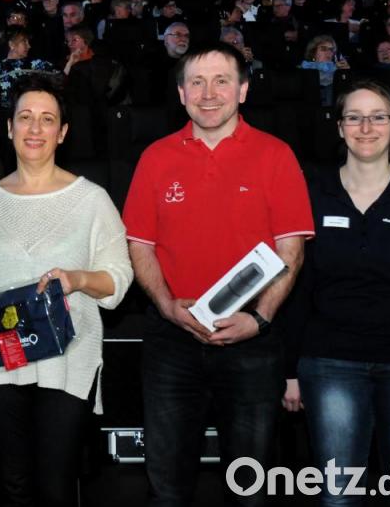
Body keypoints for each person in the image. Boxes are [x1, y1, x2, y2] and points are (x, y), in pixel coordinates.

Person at [122, 42, 314, 507]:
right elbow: (139, 245)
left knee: (249, 489)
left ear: (243, 90)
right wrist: (166, 306)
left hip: (252, 343)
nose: (209, 93)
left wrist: (259, 319)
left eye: (221, 81)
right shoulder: (155, 158)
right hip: (172, 341)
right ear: (181, 94)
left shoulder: (276, 155)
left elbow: (291, 251)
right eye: (197, 82)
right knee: (167, 489)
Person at [0, 73, 133, 507]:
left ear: (63, 132)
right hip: (0, 362)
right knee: (13, 486)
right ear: (9, 128)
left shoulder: (92, 200)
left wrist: (77, 279)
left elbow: (119, 278)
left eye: (47, 119)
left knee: (56, 487)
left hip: (67, 359)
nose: (35, 128)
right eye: (25, 117)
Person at [282, 79, 390, 505]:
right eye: (354, 117)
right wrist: (290, 371)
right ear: (339, 127)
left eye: (378, 117)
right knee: (338, 495)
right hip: (331, 363)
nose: (366, 128)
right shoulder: (312, 195)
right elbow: (297, 286)